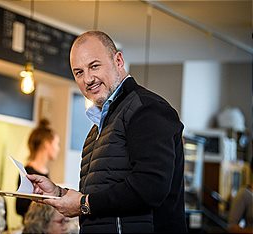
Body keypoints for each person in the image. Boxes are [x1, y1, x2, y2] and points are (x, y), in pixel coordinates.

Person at [27, 31, 187, 233]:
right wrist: (59, 194)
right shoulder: (98, 129)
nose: (88, 79)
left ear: (118, 60)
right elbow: (103, 193)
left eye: (94, 66)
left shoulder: (146, 108)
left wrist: (84, 203)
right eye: (79, 72)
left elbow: (150, 187)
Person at [16, 119, 60, 218]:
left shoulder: (45, 171)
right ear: (47, 144)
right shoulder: (27, 172)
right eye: (56, 144)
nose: (58, 148)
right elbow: (20, 207)